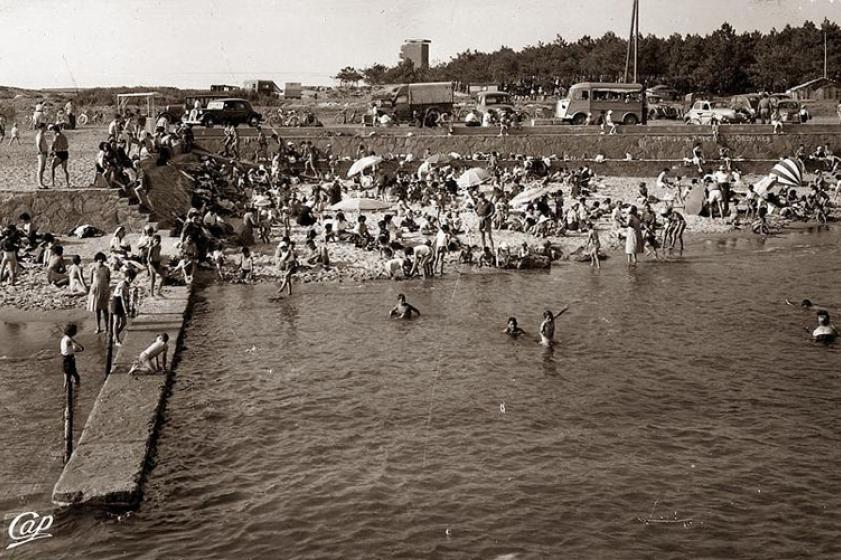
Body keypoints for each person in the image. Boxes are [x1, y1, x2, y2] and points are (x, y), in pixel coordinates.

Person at [110, 268, 136, 345]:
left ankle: (114, 336)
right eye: (129, 278)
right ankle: (117, 340)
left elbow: (126, 298)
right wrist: (126, 311)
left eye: (132, 278)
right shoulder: (123, 284)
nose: (130, 280)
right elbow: (122, 299)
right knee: (116, 321)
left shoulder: (128, 284)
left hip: (122, 303)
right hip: (116, 302)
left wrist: (128, 308)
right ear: (126, 277)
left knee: (124, 322)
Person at [87, 252, 111, 333]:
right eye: (99, 259)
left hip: (104, 290)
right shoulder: (93, 269)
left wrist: (106, 289)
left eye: (102, 260)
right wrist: (92, 289)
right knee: (97, 310)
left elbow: (108, 279)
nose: (100, 261)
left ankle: (107, 327)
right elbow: (91, 281)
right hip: (96, 290)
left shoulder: (106, 269)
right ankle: (98, 327)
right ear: (96, 260)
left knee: (105, 309)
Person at [35, 123, 49, 188]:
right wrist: (41, 152)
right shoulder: (40, 135)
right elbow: (38, 144)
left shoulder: (42, 135)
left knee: (42, 169)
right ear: (41, 128)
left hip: (44, 153)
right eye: (45, 127)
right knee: (40, 169)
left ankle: (41, 183)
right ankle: (40, 184)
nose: (46, 128)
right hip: (41, 154)